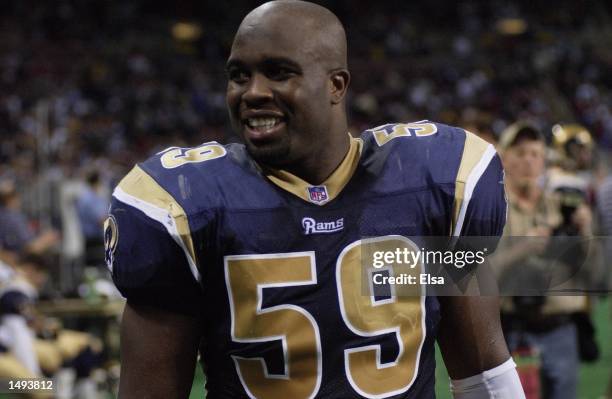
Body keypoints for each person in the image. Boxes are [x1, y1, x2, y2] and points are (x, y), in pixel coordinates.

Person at [107, 1, 525, 398]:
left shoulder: (432, 183)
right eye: (238, 76)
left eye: (278, 73)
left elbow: (483, 370)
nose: (252, 92)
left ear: (336, 85)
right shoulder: (187, 206)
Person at [491, 122, 592, 399]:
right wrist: (522, 249)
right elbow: (480, 275)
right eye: (520, 153)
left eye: (535, 154)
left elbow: (591, 271)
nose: (528, 161)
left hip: (560, 327)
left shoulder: (564, 206)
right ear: (503, 157)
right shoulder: (493, 209)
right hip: (513, 329)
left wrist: (584, 233)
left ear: (544, 160)